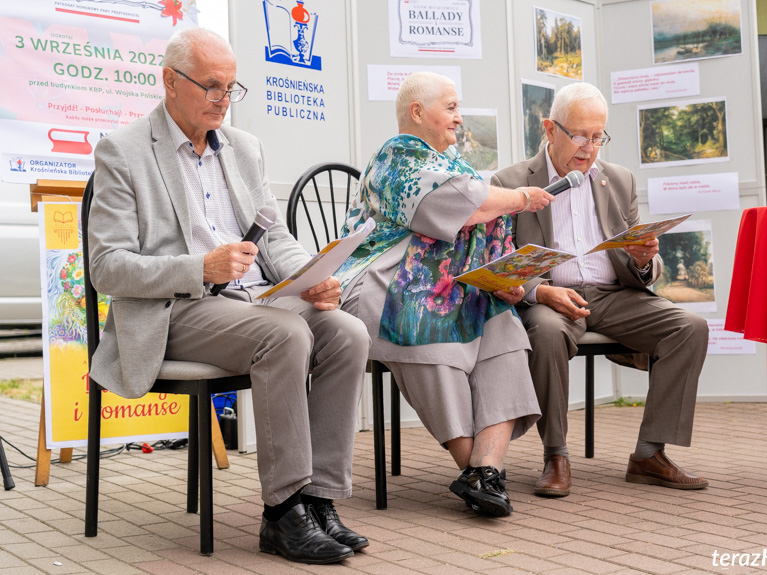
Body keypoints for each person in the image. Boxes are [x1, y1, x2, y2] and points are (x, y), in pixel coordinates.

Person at [87, 28, 370, 565]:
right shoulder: (122, 152)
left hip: (253, 300)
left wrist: (308, 275)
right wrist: (199, 266)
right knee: (284, 334)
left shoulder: (244, 148)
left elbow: (275, 235)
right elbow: (107, 268)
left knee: (347, 331)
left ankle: (319, 496)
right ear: (170, 82)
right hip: (177, 309)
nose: (223, 99)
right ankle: (283, 512)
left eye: (232, 88)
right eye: (211, 86)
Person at [338, 72, 554, 517]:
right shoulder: (395, 157)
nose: (459, 118)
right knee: (424, 325)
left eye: (458, 108)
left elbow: (484, 224)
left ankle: (485, 472)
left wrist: (505, 279)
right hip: (391, 277)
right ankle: (478, 471)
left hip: (458, 284)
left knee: (504, 334)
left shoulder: (457, 164)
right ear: (417, 113)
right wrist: (520, 197)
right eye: (451, 107)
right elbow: (463, 206)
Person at [491, 82, 709, 498]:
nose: (589, 147)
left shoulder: (619, 180)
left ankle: (649, 454)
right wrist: (540, 293)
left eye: (598, 136)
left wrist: (644, 260)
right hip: (551, 298)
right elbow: (503, 263)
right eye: (580, 135)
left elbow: (640, 264)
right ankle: (556, 455)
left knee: (690, 327)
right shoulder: (512, 181)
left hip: (613, 294)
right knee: (548, 332)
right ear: (549, 129)